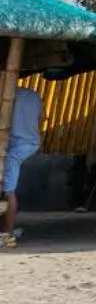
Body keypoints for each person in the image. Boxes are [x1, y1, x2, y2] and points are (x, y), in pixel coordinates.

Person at [4, 83, 43, 248]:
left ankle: (8, 235)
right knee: (6, 188)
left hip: (15, 147)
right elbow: (42, 118)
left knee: (8, 191)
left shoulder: (8, 98)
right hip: (32, 143)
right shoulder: (34, 95)